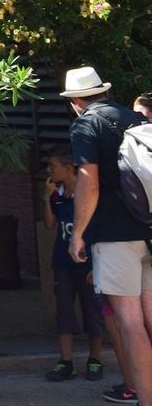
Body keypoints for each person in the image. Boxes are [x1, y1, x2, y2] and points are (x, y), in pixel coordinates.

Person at [66, 66, 152, 406]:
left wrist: (78, 233)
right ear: (103, 90)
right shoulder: (134, 118)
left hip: (116, 237)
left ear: (75, 100)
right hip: (148, 229)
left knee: (130, 324)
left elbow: (89, 181)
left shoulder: (85, 123)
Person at [43, 146, 105, 382]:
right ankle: (66, 361)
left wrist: (96, 265)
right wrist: (46, 198)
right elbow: (50, 225)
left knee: (93, 311)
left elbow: (98, 230)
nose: (49, 170)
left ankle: (95, 359)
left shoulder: (87, 192)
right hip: (63, 262)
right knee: (64, 312)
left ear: (69, 169)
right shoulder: (57, 195)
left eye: (53, 166)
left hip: (88, 263)